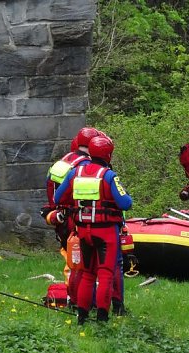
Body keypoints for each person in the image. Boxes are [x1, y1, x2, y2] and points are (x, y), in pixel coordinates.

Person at [54, 136, 133, 325]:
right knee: (105, 274)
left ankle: (82, 318)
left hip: (83, 231)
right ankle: (102, 319)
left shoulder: (74, 173)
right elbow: (126, 203)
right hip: (106, 233)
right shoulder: (108, 176)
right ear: (108, 155)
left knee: (87, 274)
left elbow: (58, 198)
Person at [42, 127, 99, 305]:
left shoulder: (63, 162)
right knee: (82, 265)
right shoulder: (84, 166)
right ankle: (83, 301)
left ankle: (74, 297)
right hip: (75, 220)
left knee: (71, 262)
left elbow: (52, 191)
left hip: (60, 219)